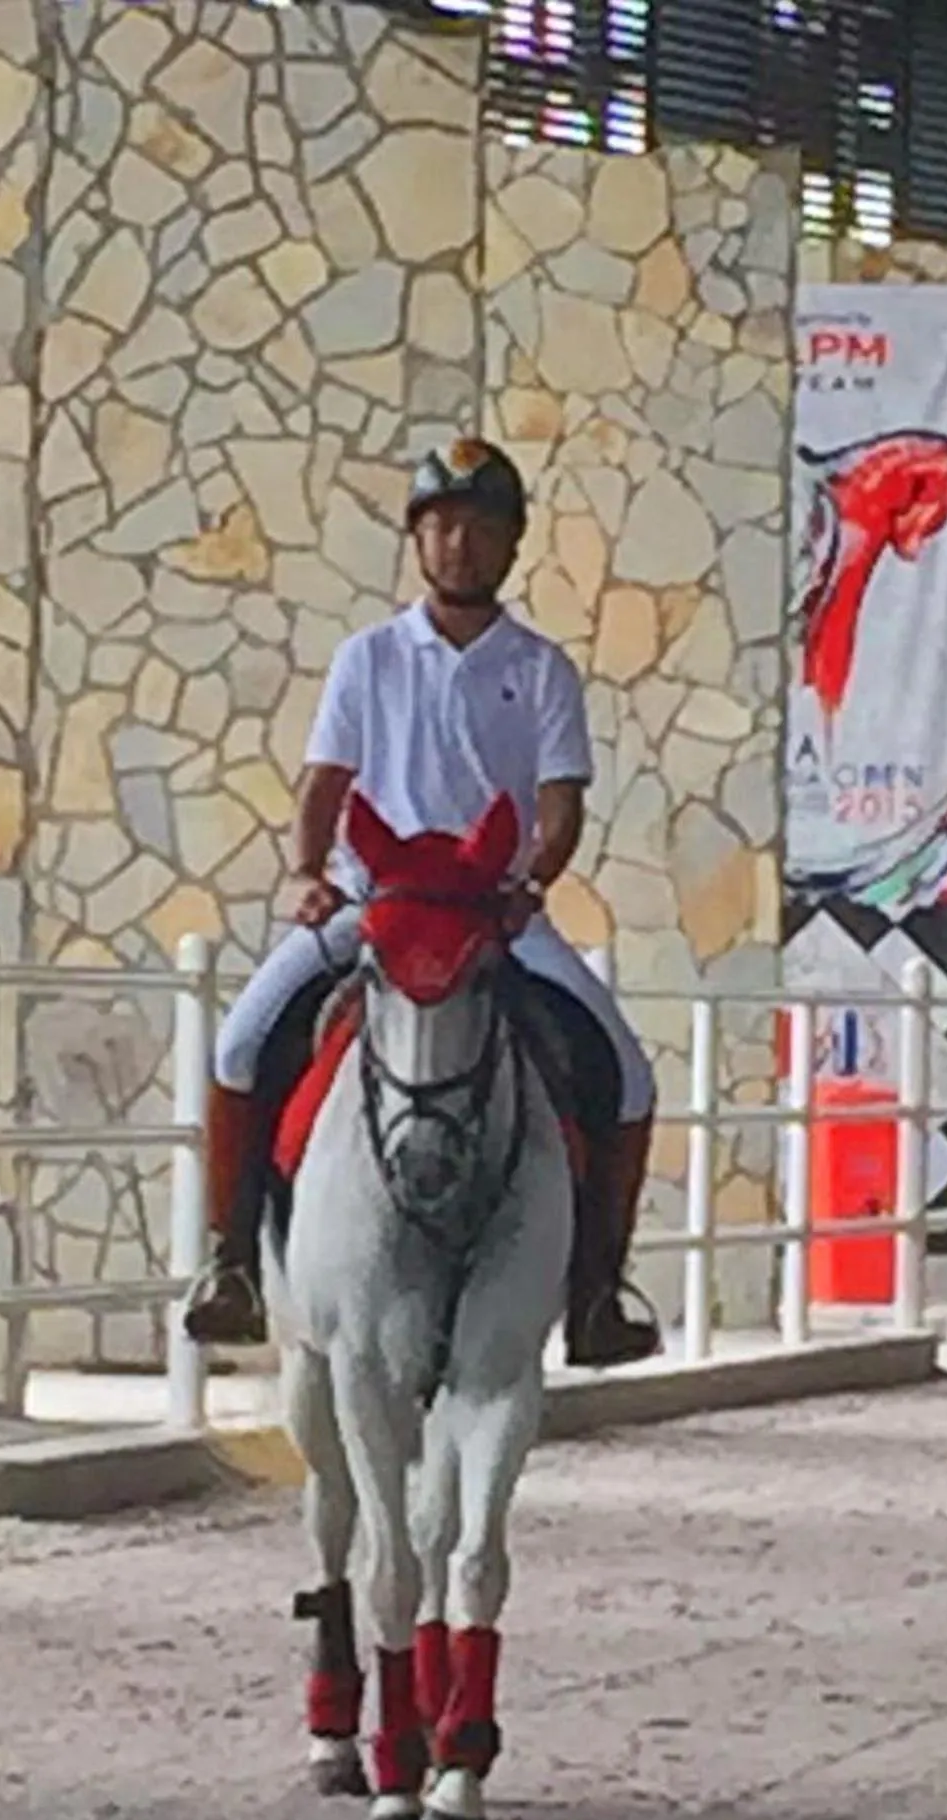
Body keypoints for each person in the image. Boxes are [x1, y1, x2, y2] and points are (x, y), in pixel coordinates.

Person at [182, 437, 661, 1369]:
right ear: (417, 540)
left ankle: (599, 1289)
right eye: (442, 526)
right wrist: (305, 869)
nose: (460, 546)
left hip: (493, 915)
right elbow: (326, 781)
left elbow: (561, 801)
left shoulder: (543, 667)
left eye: (481, 528)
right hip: (380, 906)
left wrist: (532, 883)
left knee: (628, 1072)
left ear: (513, 544)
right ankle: (232, 1265)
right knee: (240, 1044)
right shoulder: (368, 660)